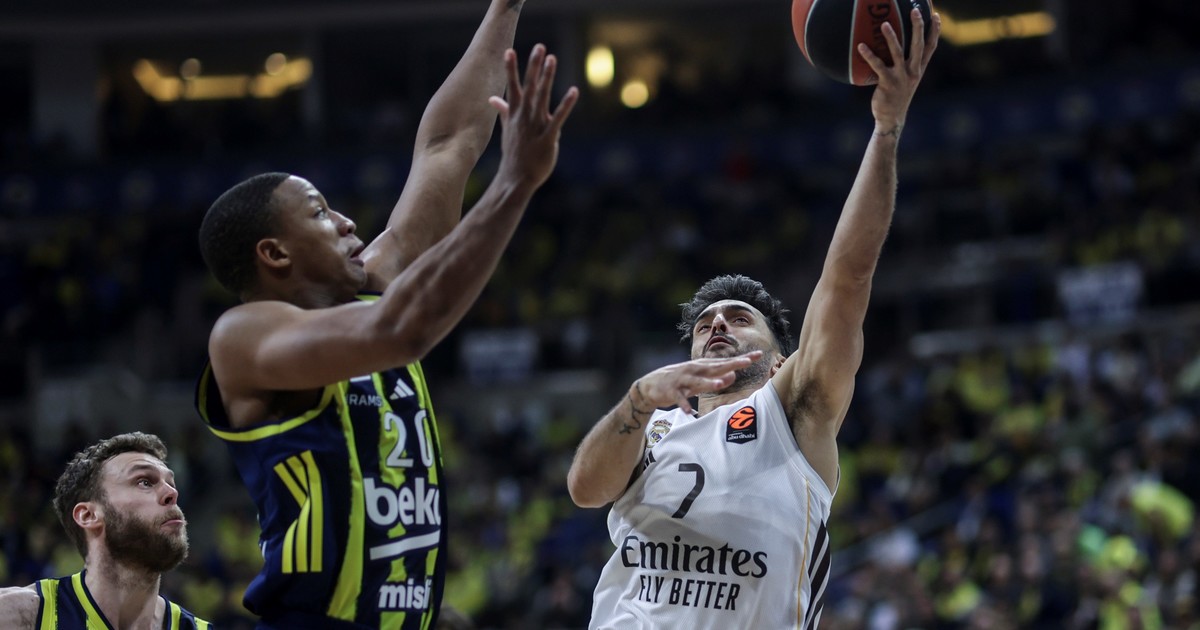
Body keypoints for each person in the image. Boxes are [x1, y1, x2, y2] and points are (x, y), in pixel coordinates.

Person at [192, 0, 578, 624]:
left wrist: (505, 6)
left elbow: (447, 146)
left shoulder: (374, 288)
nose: (348, 222)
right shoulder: (244, 337)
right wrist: (513, 186)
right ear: (275, 253)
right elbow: (403, 331)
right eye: (320, 214)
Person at [567, 9, 941, 629]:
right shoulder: (651, 427)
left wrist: (886, 129)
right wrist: (637, 401)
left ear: (777, 362)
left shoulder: (793, 412)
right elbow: (585, 489)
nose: (717, 325)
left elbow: (847, 278)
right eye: (705, 324)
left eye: (739, 319)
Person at [0, 432, 209, 629]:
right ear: (88, 515)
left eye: (171, 483)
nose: (172, 492)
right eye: (144, 482)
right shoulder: (17, 616)